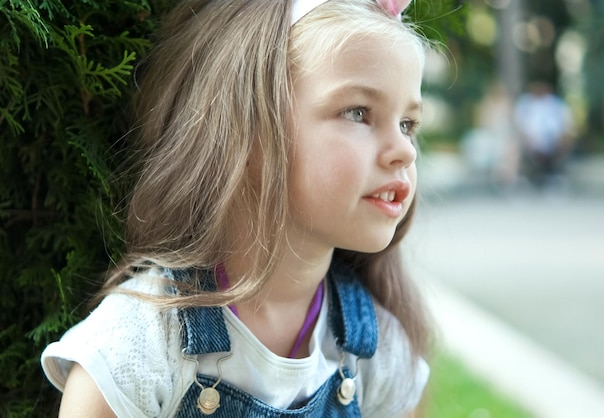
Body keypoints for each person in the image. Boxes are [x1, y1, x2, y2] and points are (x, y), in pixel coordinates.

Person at [41, 0, 431, 416]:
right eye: (358, 112)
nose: (404, 151)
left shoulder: (380, 354)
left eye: (408, 124)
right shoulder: (135, 351)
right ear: (248, 132)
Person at [513, 81, 575, 188]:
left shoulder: (557, 104)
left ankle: (552, 177)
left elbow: (567, 125)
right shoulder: (526, 104)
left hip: (554, 141)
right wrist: (528, 139)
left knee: (561, 145)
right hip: (531, 141)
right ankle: (535, 176)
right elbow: (519, 125)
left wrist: (561, 138)